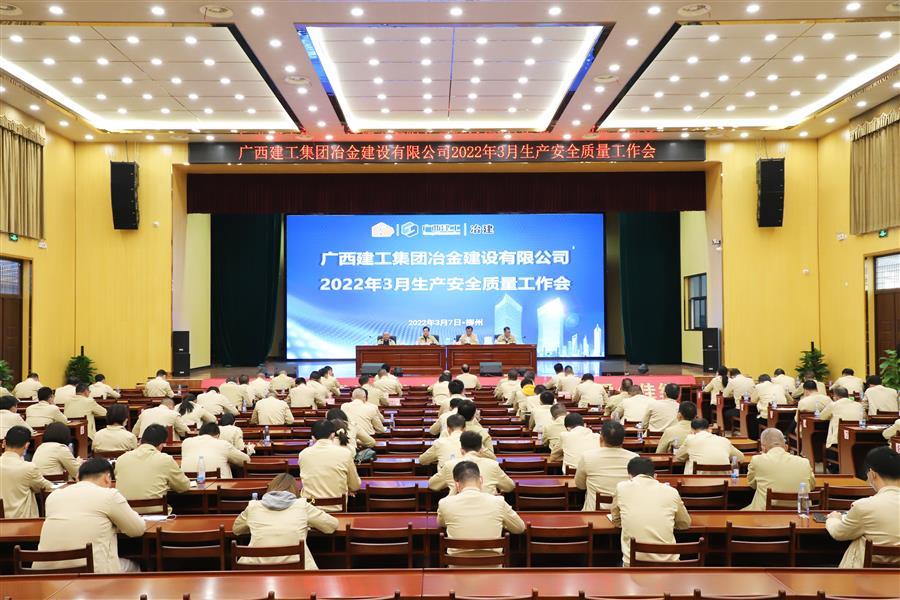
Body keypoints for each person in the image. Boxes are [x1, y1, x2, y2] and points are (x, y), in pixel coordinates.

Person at [35, 458, 145, 573]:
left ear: (78, 477)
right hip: (91, 574)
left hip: (46, 573)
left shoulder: (54, 496)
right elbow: (137, 529)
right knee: (134, 567)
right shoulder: (109, 495)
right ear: (107, 478)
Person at [232, 473, 339, 568]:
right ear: (295, 490)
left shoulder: (253, 506)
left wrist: (254, 525)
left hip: (255, 570)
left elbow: (236, 529)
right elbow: (332, 525)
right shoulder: (302, 505)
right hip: (298, 571)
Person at [826, 446, 900, 568]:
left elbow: (839, 533)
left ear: (872, 474)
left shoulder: (864, 506)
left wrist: (833, 519)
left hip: (865, 575)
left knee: (859, 539)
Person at [436, 460, 525, 560]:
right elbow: (520, 528)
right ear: (481, 480)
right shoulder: (498, 502)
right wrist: (502, 522)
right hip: (493, 567)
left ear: (457, 484)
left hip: (457, 567)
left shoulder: (445, 503)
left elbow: (441, 523)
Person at [611, 457, 691, 567]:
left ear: (629, 476)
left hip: (633, 565)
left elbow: (616, 520)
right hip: (669, 565)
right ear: (655, 476)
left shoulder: (621, 487)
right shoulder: (671, 491)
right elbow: (685, 524)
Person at [115, 424, 191, 512]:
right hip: (157, 513)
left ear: (140, 441)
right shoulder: (165, 459)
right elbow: (184, 486)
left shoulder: (121, 459)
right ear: (161, 445)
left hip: (126, 513)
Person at [744, 428, 815, 510]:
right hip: (800, 513)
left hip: (765, 514)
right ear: (786, 447)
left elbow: (752, 484)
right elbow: (812, 486)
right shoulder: (804, 462)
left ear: (763, 448)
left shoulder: (757, 460)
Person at [297, 420, 361, 512]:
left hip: (311, 508)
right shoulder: (345, 453)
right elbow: (355, 486)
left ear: (313, 437)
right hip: (338, 508)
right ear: (333, 435)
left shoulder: (303, 454)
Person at [575, 421, 639, 510]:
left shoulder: (587, 456)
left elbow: (580, 485)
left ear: (601, 439)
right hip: (624, 512)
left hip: (594, 512)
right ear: (623, 440)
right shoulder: (635, 458)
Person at [429, 431, 515, 495]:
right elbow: (509, 486)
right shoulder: (493, 465)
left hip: (458, 509)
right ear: (481, 450)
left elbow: (432, 485)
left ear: (461, 450)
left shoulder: (449, 465)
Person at [0, 426, 53, 518]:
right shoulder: (28, 468)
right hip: (22, 521)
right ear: (26, 445)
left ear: (4, 443)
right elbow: (46, 487)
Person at [181, 422, 251, 479]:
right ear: (218, 435)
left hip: (190, 485)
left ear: (199, 433)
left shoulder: (186, 442)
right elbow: (246, 460)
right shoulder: (223, 444)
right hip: (219, 487)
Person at [675, 418, 745, 474]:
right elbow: (740, 458)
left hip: (697, 484)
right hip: (723, 482)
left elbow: (678, 457)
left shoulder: (690, 439)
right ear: (709, 429)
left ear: (692, 430)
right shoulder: (724, 440)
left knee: (689, 460)